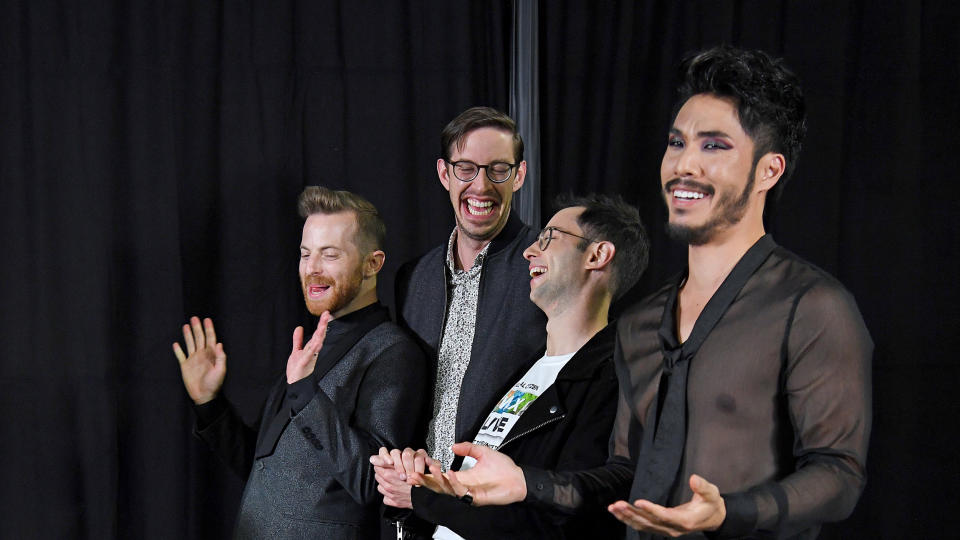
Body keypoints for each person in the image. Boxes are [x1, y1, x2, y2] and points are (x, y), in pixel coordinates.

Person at [425, 46, 873, 540]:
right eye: (677, 142)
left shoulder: (811, 306)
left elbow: (838, 474)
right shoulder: (640, 326)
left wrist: (728, 512)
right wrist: (526, 484)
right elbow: (619, 475)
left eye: (715, 146)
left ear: (769, 169)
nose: (685, 164)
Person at [373, 194, 650, 539]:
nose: (529, 251)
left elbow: (558, 521)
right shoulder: (527, 369)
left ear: (597, 255)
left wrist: (425, 499)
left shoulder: (614, 381)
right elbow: (478, 493)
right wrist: (430, 482)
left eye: (549, 238)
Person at [172, 186, 428, 539]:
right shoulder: (312, 348)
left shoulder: (393, 352)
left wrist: (307, 395)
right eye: (305, 254)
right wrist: (209, 404)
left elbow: (372, 482)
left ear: (373, 264)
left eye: (330, 255)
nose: (312, 268)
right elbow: (262, 468)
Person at [393, 108, 547, 473]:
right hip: (423, 497)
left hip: (501, 501)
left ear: (519, 175)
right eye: (466, 168)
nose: (481, 186)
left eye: (498, 169)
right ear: (445, 174)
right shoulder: (413, 278)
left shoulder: (543, 266)